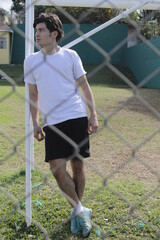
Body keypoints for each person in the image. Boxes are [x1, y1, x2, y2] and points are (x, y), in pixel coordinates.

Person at [24, 13, 98, 238]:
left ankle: (78, 212)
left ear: (53, 33)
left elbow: (84, 86)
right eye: (36, 30)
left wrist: (93, 114)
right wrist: (35, 122)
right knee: (57, 169)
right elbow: (33, 95)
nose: (37, 34)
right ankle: (80, 210)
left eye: (41, 30)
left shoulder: (71, 56)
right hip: (53, 122)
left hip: (76, 117)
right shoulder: (31, 60)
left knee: (78, 167)